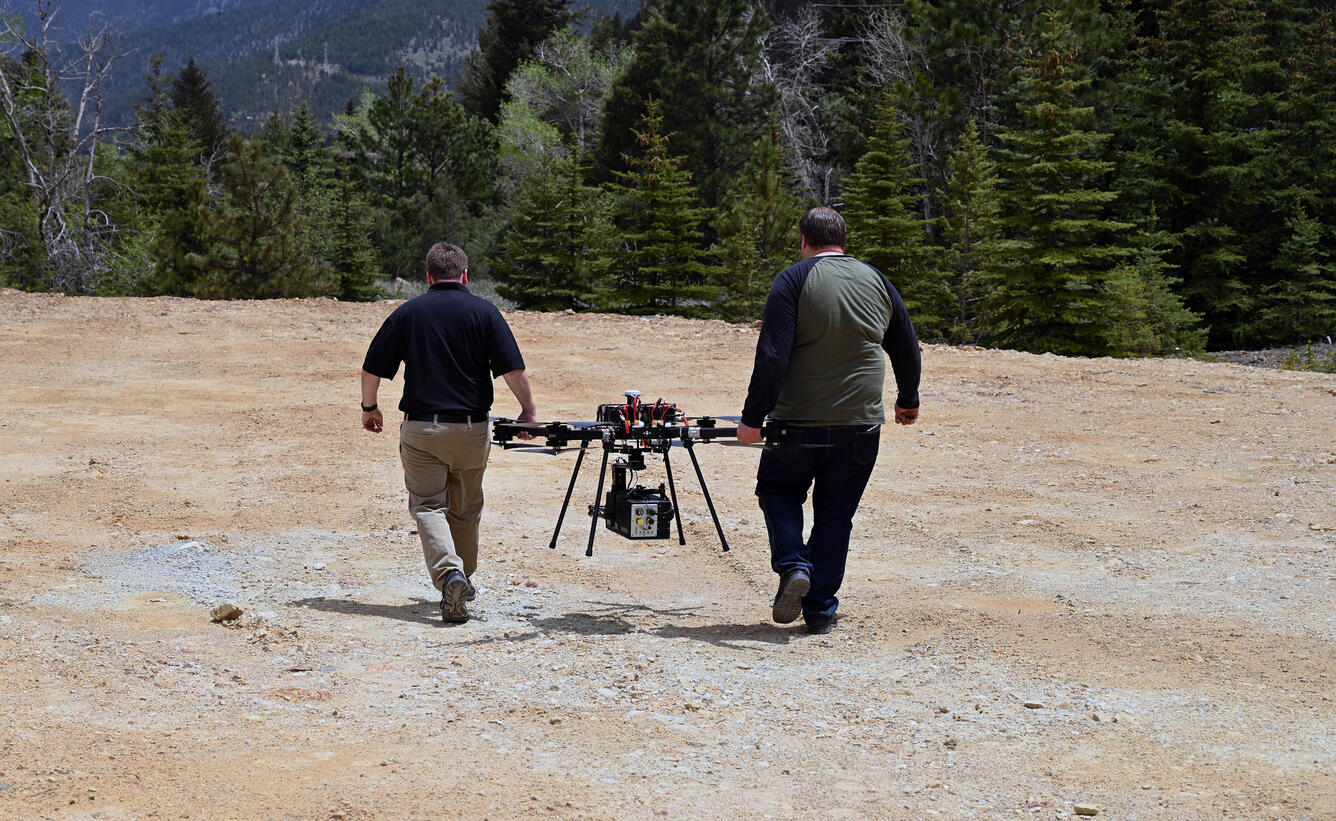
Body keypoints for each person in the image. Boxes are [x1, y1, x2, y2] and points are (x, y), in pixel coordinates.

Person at [737, 207, 921, 634]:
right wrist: (907, 399)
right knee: (836, 515)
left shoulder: (794, 280)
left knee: (778, 490)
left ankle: (793, 565)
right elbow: (907, 346)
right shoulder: (877, 280)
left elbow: (772, 357)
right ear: (843, 241)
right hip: (861, 425)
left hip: (796, 422)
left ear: (804, 241)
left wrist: (752, 418)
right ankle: (819, 612)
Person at [360, 242, 537, 624]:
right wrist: (528, 411)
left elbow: (372, 368)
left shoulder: (408, 313)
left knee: (427, 505)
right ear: (465, 275)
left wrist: (369, 407)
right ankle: (463, 582)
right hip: (473, 430)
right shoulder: (485, 312)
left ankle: (449, 576)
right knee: (466, 508)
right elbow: (513, 370)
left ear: (428, 276)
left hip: (424, 428)